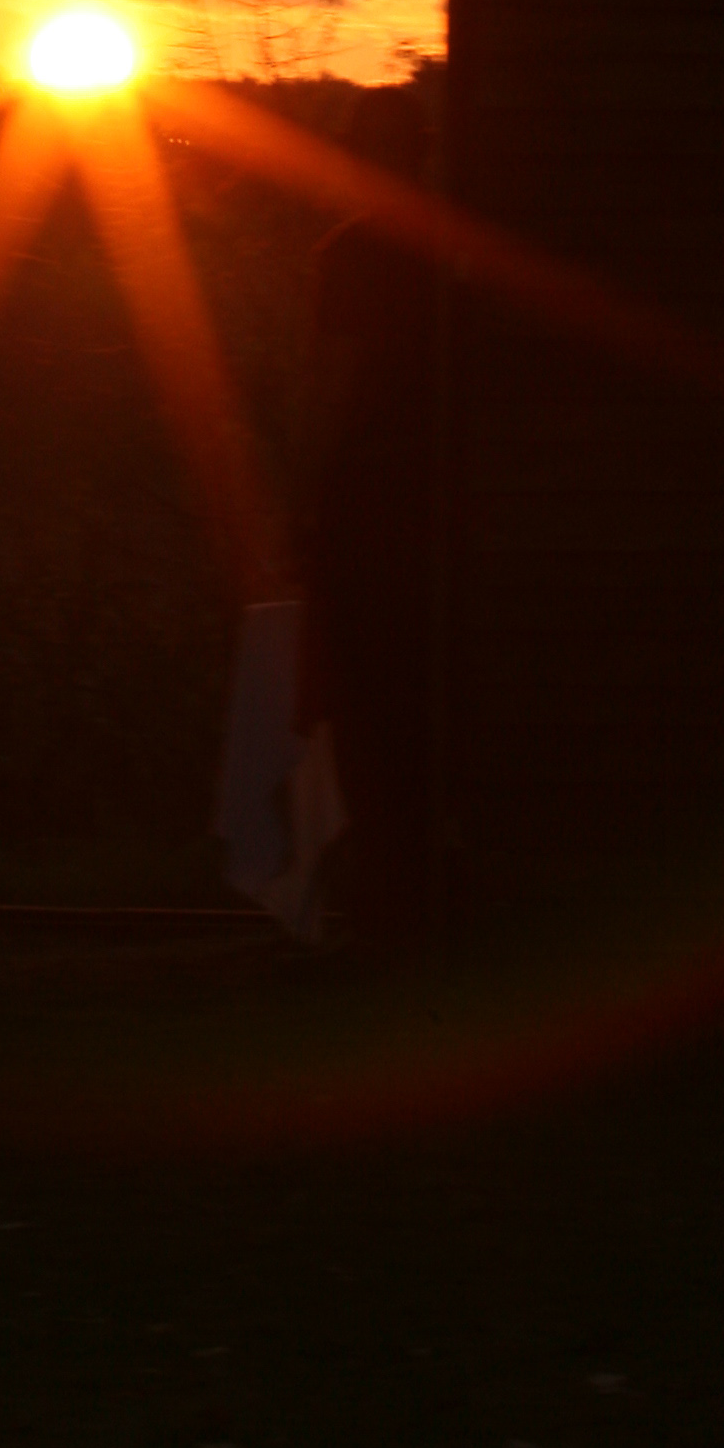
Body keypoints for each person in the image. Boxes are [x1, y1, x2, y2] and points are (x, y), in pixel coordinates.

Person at [302, 214, 441, 950]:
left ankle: (383, 902)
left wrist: (304, 491)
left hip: (363, 511)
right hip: (428, 512)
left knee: (362, 709)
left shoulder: (354, 257)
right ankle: (407, 895)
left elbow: (334, 385)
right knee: (408, 706)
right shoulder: (435, 258)